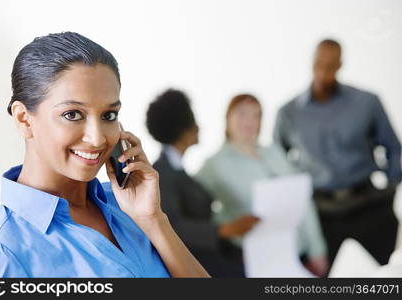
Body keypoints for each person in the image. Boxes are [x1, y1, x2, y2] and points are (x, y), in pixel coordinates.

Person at [0, 32, 209, 278]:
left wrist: (153, 219)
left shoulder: (127, 207)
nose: (98, 138)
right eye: (72, 114)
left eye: (108, 116)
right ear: (24, 119)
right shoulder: (6, 253)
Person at [273, 39, 402, 266]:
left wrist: (391, 188)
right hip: (319, 213)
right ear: (311, 62)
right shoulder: (288, 113)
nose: (323, 71)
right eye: (319, 63)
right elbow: (275, 162)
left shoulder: (367, 102)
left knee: (394, 269)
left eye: (331, 65)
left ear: (340, 65)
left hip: (368, 203)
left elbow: (393, 147)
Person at [196, 94, 328, 277]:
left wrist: (317, 249)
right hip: (257, 259)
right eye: (242, 114)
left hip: (300, 251)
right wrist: (226, 225)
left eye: (256, 115)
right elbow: (193, 210)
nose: (250, 121)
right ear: (228, 118)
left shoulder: (274, 153)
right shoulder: (214, 165)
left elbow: (303, 199)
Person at [146, 89, 259, 277]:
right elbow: (173, 225)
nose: (199, 127)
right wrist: (225, 229)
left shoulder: (178, 169)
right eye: (193, 121)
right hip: (195, 261)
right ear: (183, 130)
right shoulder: (161, 174)